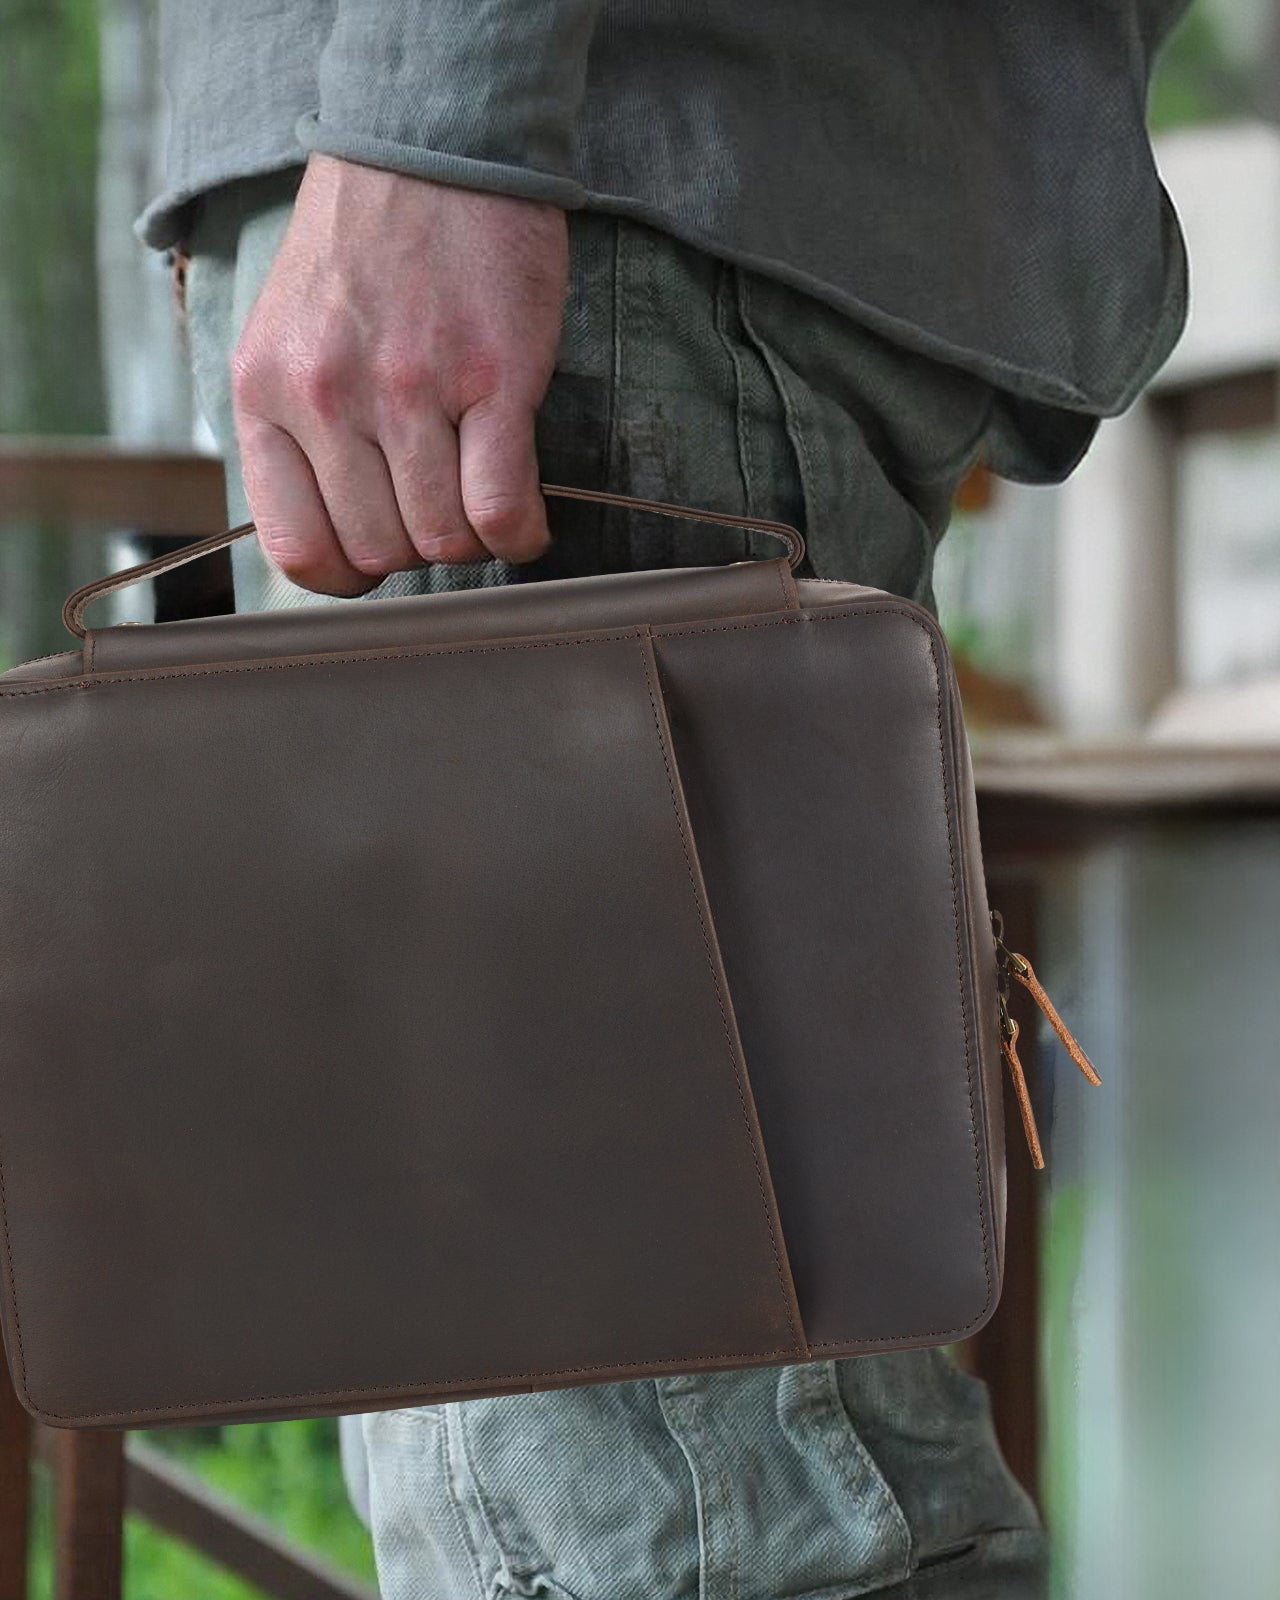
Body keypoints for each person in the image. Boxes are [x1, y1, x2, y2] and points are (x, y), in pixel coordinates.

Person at [139, 4, 1189, 1595]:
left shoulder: (477, 167)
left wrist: (438, 119)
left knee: (671, 1516)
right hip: (604, 204)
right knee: (707, 1473)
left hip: (552, 200)